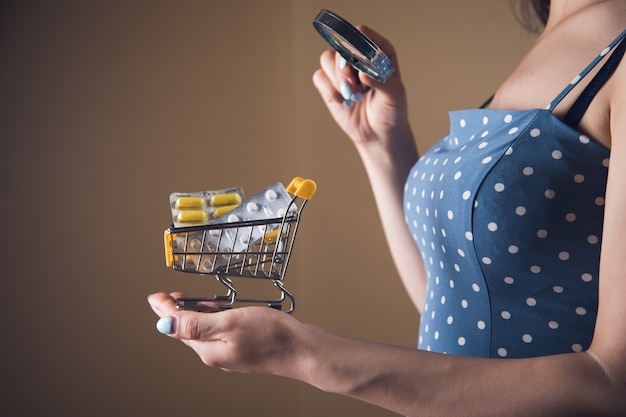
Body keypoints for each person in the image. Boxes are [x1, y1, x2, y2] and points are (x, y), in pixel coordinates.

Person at [148, 0, 626, 415]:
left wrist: (301, 353)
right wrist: (380, 142)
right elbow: (453, 299)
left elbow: (610, 384)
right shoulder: (551, 42)